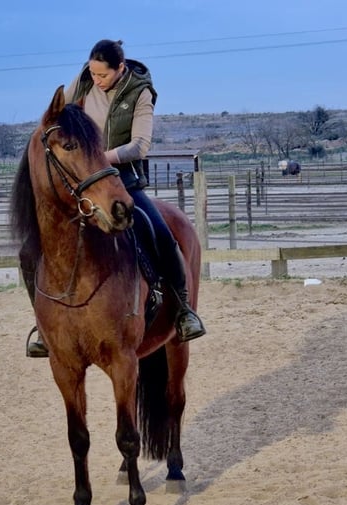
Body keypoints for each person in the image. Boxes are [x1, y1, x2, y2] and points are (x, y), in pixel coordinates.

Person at [22, 39, 205, 358]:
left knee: (161, 233)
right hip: (81, 183)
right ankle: (43, 325)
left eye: (102, 76)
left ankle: (182, 309)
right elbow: (57, 122)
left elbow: (139, 146)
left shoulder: (140, 93)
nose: (96, 81)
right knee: (30, 248)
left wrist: (98, 158)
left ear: (120, 69)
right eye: (92, 74)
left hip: (123, 181)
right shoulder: (83, 81)